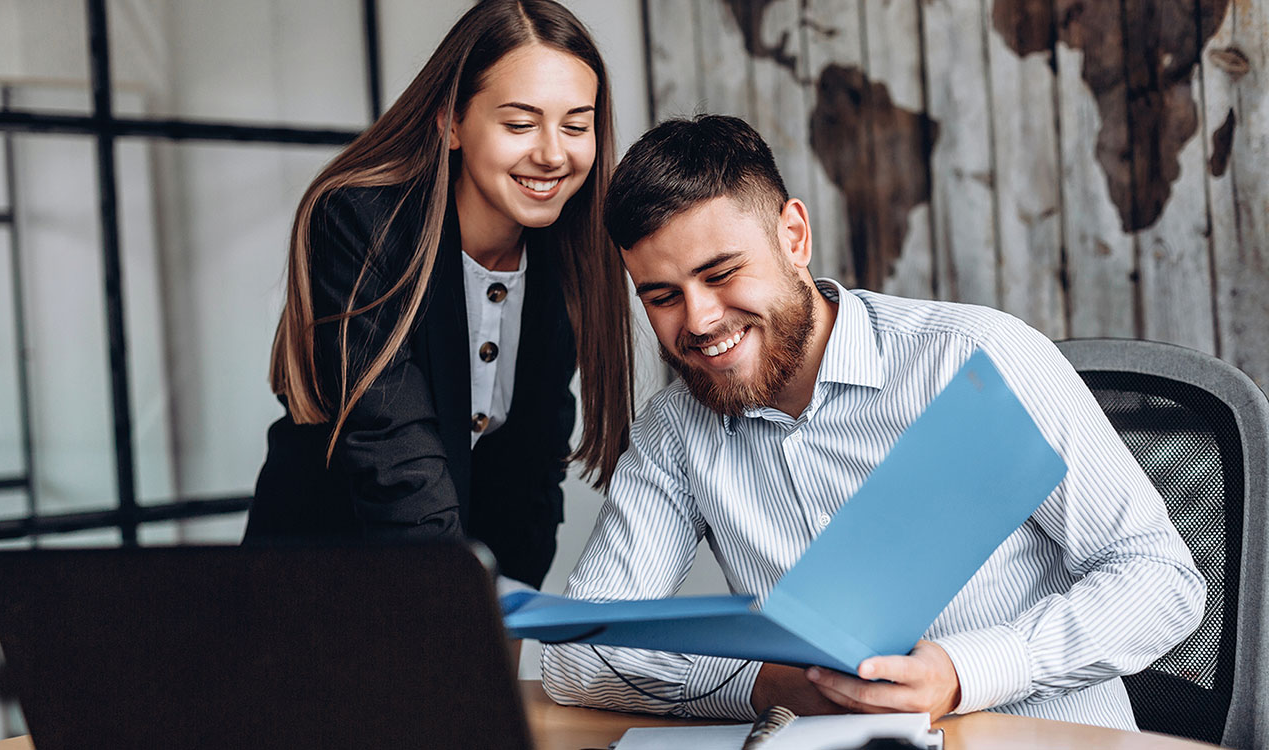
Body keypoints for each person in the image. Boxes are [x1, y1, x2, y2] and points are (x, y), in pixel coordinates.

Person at [540, 115, 1205, 728]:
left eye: (721, 274)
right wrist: (756, 685)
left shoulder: (977, 358)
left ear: (794, 236)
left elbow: (1159, 580)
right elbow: (579, 653)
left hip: (1040, 737)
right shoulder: (677, 431)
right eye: (662, 297)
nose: (700, 320)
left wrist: (963, 672)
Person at [243, 0, 634, 590]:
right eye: (521, 123)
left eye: (576, 125)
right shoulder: (361, 222)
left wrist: (508, 613)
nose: (554, 153)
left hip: (452, 593)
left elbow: (531, 469)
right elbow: (392, 452)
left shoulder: (569, 250)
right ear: (451, 121)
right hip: (315, 584)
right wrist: (462, 607)